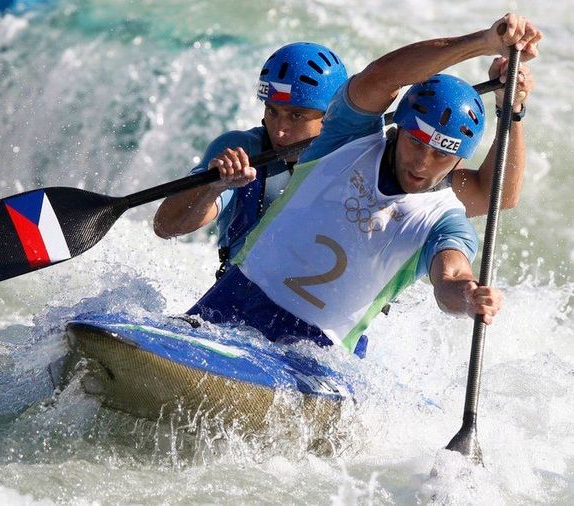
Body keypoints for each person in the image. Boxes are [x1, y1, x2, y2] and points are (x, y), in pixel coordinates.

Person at [184, 13, 542, 358]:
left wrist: (467, 296)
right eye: (416, 143)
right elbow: (383, 77)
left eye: (440, 156)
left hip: (318, 353)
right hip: (234, 300)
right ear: (398, 128)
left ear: (459, 160)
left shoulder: (446, 219)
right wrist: (483, 41)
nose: (421, 164)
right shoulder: (345, 138)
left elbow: (452, 273)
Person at [153, 42, 348, 278]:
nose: (279, 131)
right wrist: (212, 188)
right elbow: (165, 227)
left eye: (297, 115)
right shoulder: (241, 150)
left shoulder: (355, 157)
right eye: (272, 111)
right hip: (236, 301)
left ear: (331, 116)